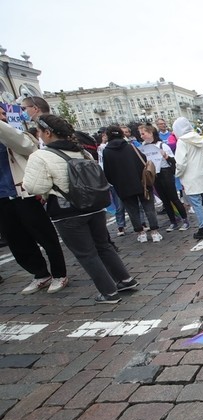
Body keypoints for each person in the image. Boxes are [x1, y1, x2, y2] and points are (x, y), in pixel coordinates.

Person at [23, 115, 138, 304]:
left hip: (66, 210)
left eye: (40, 132)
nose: (39, 135)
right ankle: (125, 279)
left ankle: (108, 292)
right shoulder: (81, 151)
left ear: (48, 132)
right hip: (94, 206)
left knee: (86, 253)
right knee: (103, 246)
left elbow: (34, 186)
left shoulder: (41, 156)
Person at [0, 106, 69, 295]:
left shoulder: (16, 135)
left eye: (3, 113)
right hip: (3, 198)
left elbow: (26, 146)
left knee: (44, 235)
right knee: (16, 240)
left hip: (23, 193)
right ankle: (40, 274)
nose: (4, 116)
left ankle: (59, 273)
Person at [102, 125, 163, 242]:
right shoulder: (130, 147)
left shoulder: (107, 152)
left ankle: (141, 233)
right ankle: (155, 232)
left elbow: (107, 172)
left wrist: (117, 182)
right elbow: (143, 160)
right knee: (148, 207)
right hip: (141, 183)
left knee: (132, 210)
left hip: (123, 186)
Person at [172, 117, 203, 240]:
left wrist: (178, 173)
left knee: (196, 203)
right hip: (202, 173)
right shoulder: (199, 138)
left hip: (190, 176)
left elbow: (181, 162)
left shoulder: (182, 141)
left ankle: (202, 229)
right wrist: (202, 167)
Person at [138, 124, 189, 231]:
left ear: (151, 133)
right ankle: (173, 221)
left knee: (173, 198)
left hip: (165, 173)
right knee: (165, 201)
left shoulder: (162, 145)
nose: (141, 136)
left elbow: (174, 161)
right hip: (154, 175)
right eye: (140, 134)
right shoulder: (143, 147)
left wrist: (166, 156)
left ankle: (185, 220)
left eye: (143, 133)